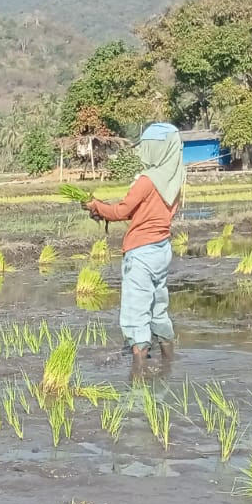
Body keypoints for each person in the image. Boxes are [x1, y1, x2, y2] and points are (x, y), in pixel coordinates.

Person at [86, 123, 184, 379]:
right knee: (158, 307)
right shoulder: (174, 180)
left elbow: (121, 211)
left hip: (141, 253)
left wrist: (96, 206)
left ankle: (137, 375)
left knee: (136, 310)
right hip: (162, 249)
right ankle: (168, 364)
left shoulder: (146, 181)